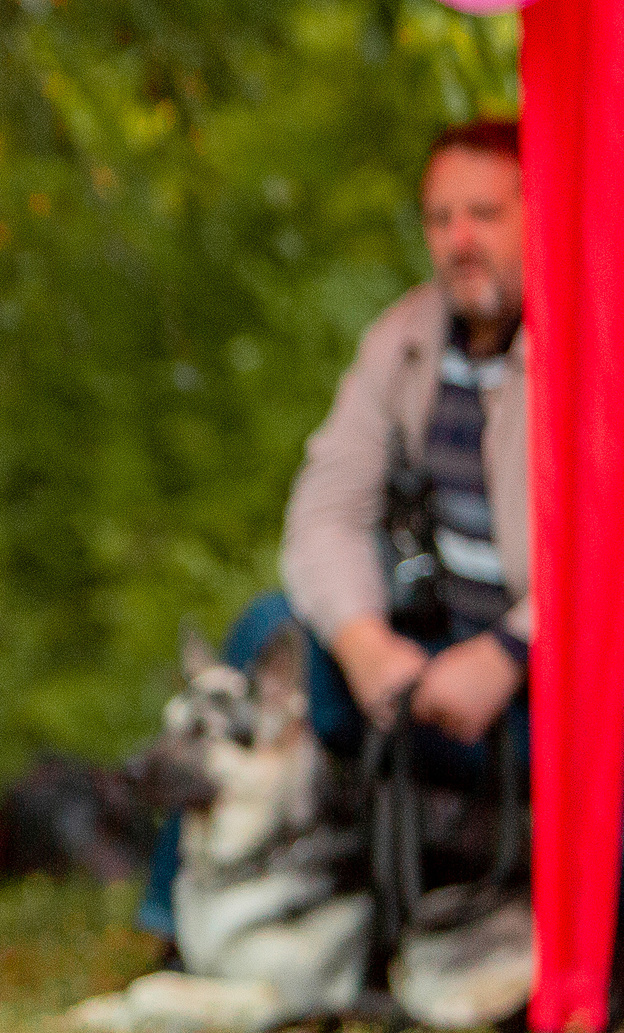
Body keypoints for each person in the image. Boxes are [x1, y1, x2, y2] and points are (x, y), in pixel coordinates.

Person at [140, 118, 530, 939]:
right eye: (439, 217)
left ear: (541, 211)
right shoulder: (405, 339)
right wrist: (363, 643)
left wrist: (510, 653)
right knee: (265, 629)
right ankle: (179, 929)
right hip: (418, 656)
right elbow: (326, 508)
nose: (459, 240)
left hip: (547, 678)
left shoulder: (592, 344)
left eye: (486, 214)